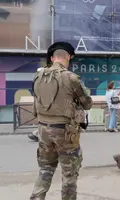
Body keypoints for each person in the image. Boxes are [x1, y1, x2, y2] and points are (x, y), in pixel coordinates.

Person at [30, 42, 93, 200]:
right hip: (64, 132)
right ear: (69, 57)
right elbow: (87, 103)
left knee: (45, 169)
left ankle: (37, 197)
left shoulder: (37, 76)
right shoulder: (71, 77)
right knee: (69, 175)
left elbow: (36, 102)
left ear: (52, 58)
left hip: (43, 129)